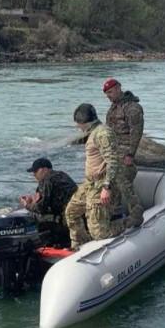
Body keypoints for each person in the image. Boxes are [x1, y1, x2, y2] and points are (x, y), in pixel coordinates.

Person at [64, 103, 126, 249]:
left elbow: (113, 160)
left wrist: (107, 186)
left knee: (99, 233)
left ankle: (127, 223)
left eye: (78, 124)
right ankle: (80, 243)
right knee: (71, 212)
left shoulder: (102, 133)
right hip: (89, 183)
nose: (78, 127)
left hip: (100, 184)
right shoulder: (93, 133)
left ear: (84, 122)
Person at [103, 77, 145, 229]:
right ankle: (114, 216)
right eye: (107, 93)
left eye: (111, 92)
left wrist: (130, 154)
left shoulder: (132, 107)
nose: (109, 95)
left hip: (125, 152)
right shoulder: (113, 108)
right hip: (113, 154)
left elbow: (136, 132)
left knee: (124, 184)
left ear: (119, 88)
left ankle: (136, 213)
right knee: (112, 186)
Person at [19, 157, 78, 247]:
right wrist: (33, 200)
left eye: (35, 171)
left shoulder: (47, 180)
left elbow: (41, 208)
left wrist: (27, 205)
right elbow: (49, 198)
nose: (34, 175)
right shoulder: (61, 174)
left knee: (33, 216)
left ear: (44, 169)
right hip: (77, 215)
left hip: (66, 219)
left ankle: (49, 244)